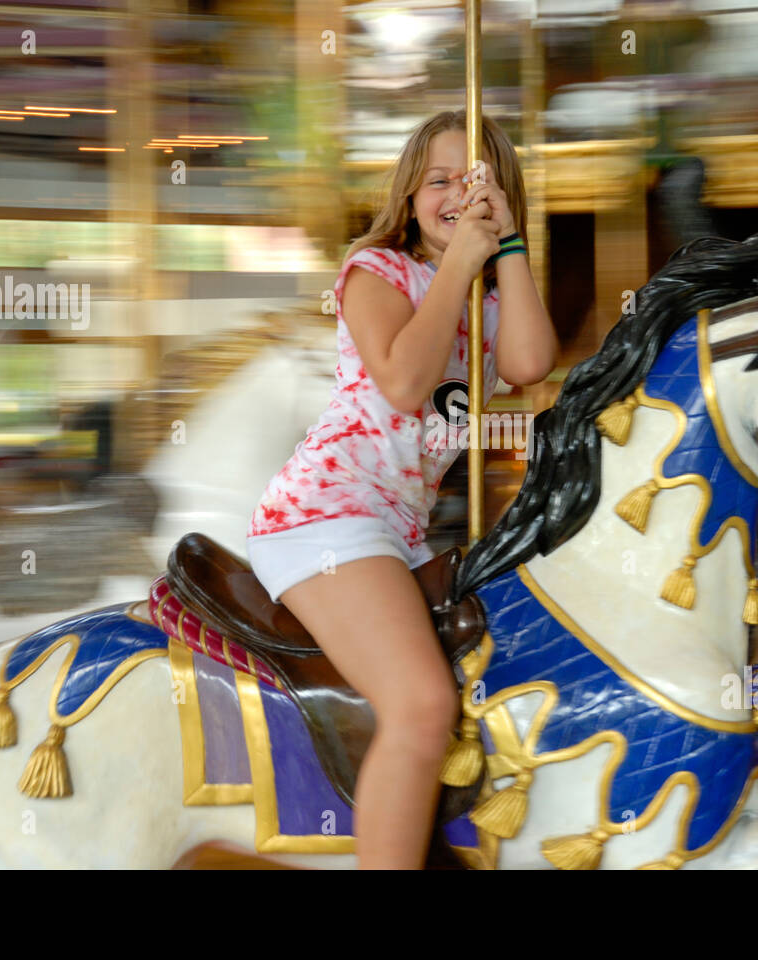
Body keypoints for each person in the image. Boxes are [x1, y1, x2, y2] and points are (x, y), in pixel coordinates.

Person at [246, 110, 557, 867]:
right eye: (439, 181)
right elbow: (406, 381)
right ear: (410, 194)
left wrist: (507, 243)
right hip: (326, 515)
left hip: (399, 530)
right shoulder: (374, 271)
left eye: (476, 183)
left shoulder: (483, 305)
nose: (455, 194)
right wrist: (459, 265)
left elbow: (529, 364)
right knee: (421, 706)